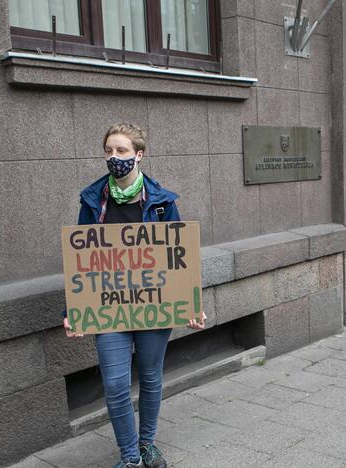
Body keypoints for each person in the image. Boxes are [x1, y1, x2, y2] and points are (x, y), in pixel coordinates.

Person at [63, 122, 206, 468]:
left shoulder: (161, 202)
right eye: (109, 150)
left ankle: (147, 445)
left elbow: (179, 256)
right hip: (109, 306)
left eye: (122, 151)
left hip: (154, 303)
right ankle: (130, 456)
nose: (114, 157)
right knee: (114, 384)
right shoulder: (91, 201)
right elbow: (82, 259)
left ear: (138, 155)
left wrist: (191, 304)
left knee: (152, 377)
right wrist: (76, 310)